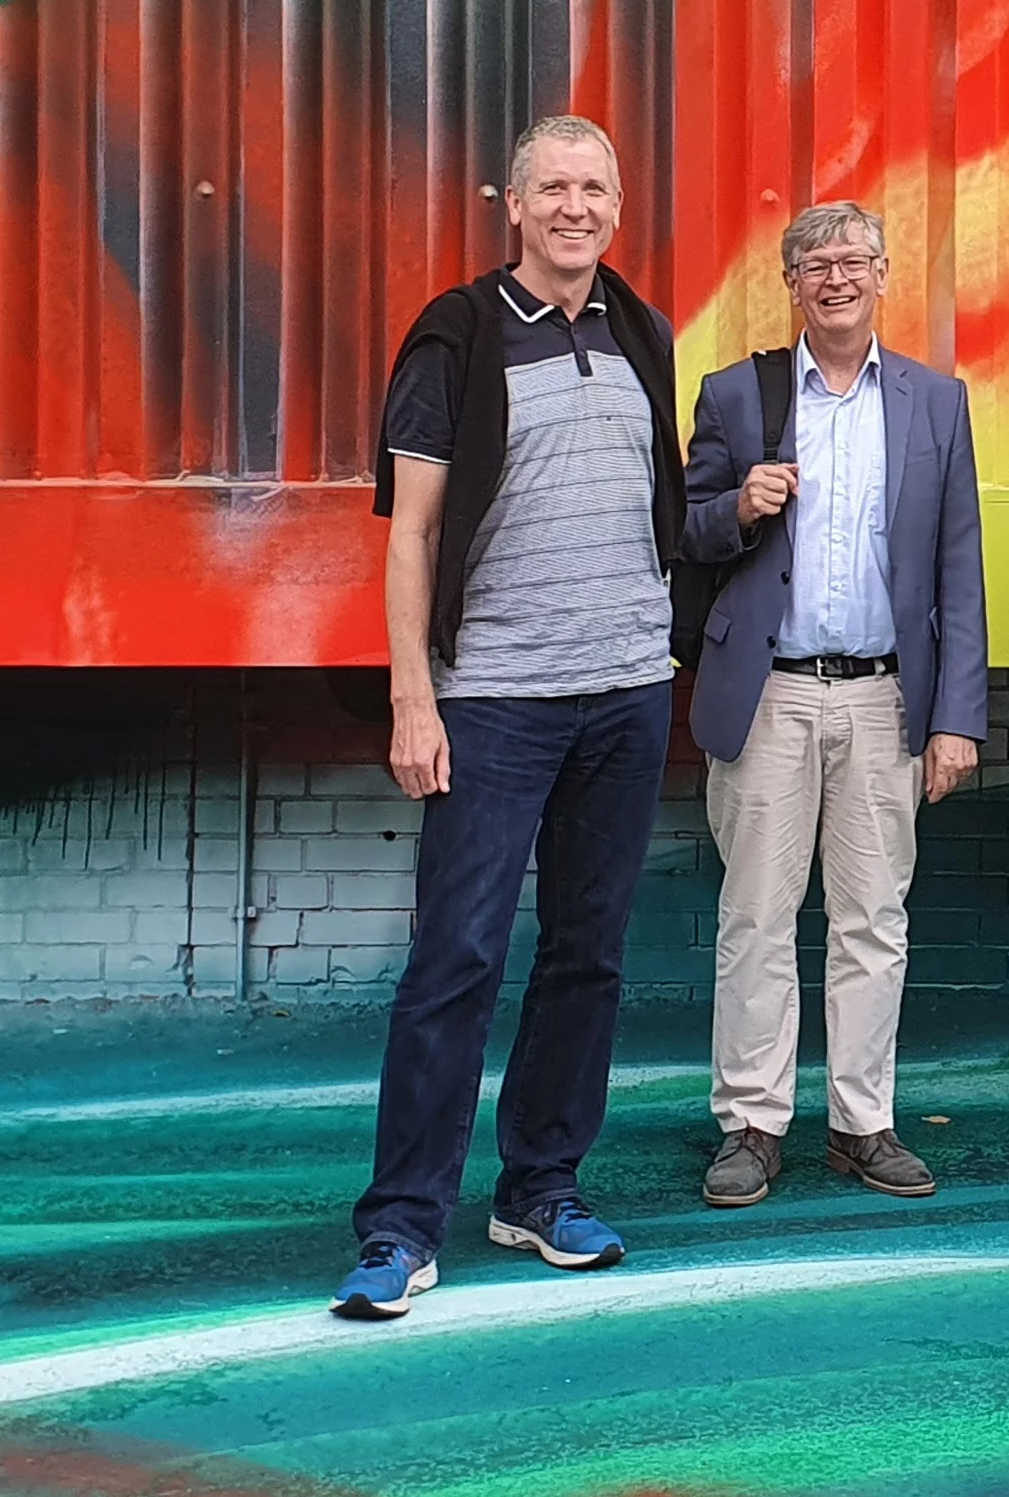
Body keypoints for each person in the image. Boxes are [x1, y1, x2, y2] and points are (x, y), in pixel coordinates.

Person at [333, 115, 683, 1318]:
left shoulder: (640, 329)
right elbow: (413, 534)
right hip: (492, 699)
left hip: (626, 689)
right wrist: (412, 697)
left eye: (595, 188)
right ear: (515, 205)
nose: (575, 207)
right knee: (457, 958)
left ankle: (541, 1188)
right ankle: (399, 1225)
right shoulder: (458, 334)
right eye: (555, 187)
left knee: (587, 956)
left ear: (616, 208)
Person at [681, 201, 987, 1208]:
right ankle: (751, 1124)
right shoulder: (737, 394)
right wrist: (737, 507)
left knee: (872, 920)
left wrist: (955, 717)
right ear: (791, 283)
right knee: (755, 917)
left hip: (884, 696)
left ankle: (862, 1123)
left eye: (855, 260)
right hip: (768, 691)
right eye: (816, 263)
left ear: (884, 274)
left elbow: (957, 566)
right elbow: (682, 530)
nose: (837, 277)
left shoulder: (935, 402)